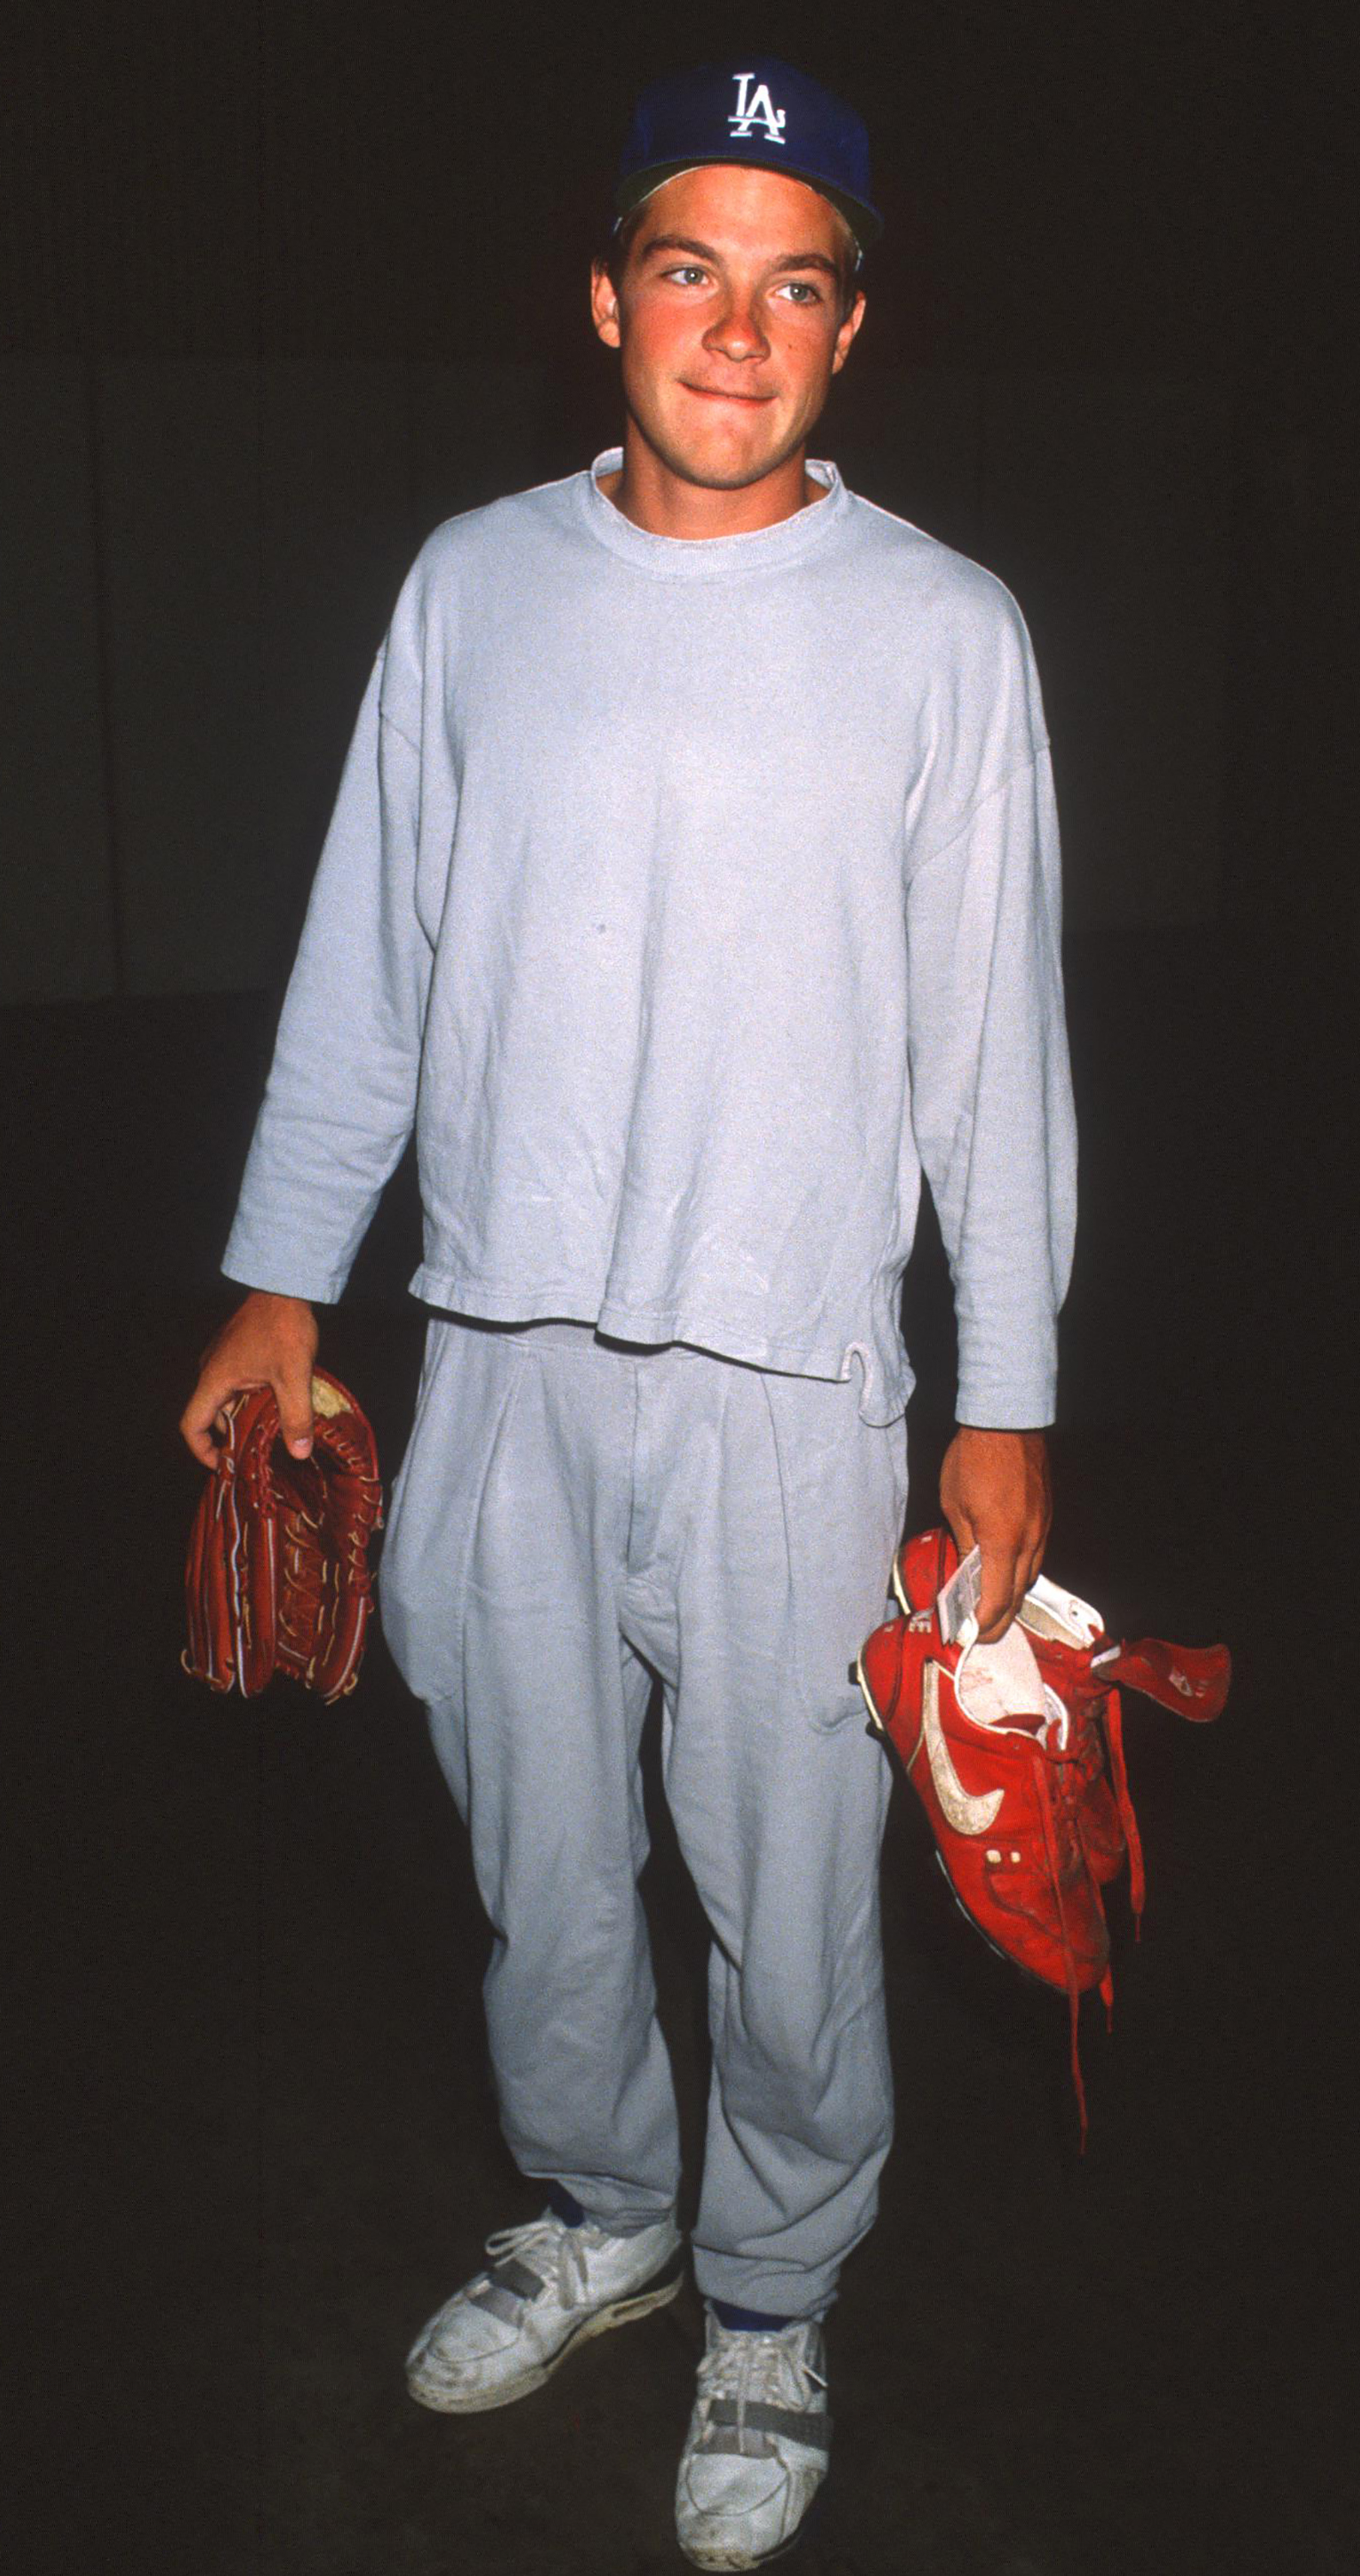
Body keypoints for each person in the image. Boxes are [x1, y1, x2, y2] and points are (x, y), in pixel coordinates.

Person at [180, 56, 1075, 2572]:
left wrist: (1004, 1402)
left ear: (852, 333)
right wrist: (278, 1284)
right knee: (541, 1863)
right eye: (690, 263)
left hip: (796, 1386)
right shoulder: (472, 588)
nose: (737, 323)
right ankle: (606, 2206)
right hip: (501, 1361)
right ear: (603, 295)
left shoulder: (941, 636)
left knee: (790, 1889)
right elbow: (373, 962)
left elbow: (995, 1055)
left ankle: (772, 2296)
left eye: (799, 281)